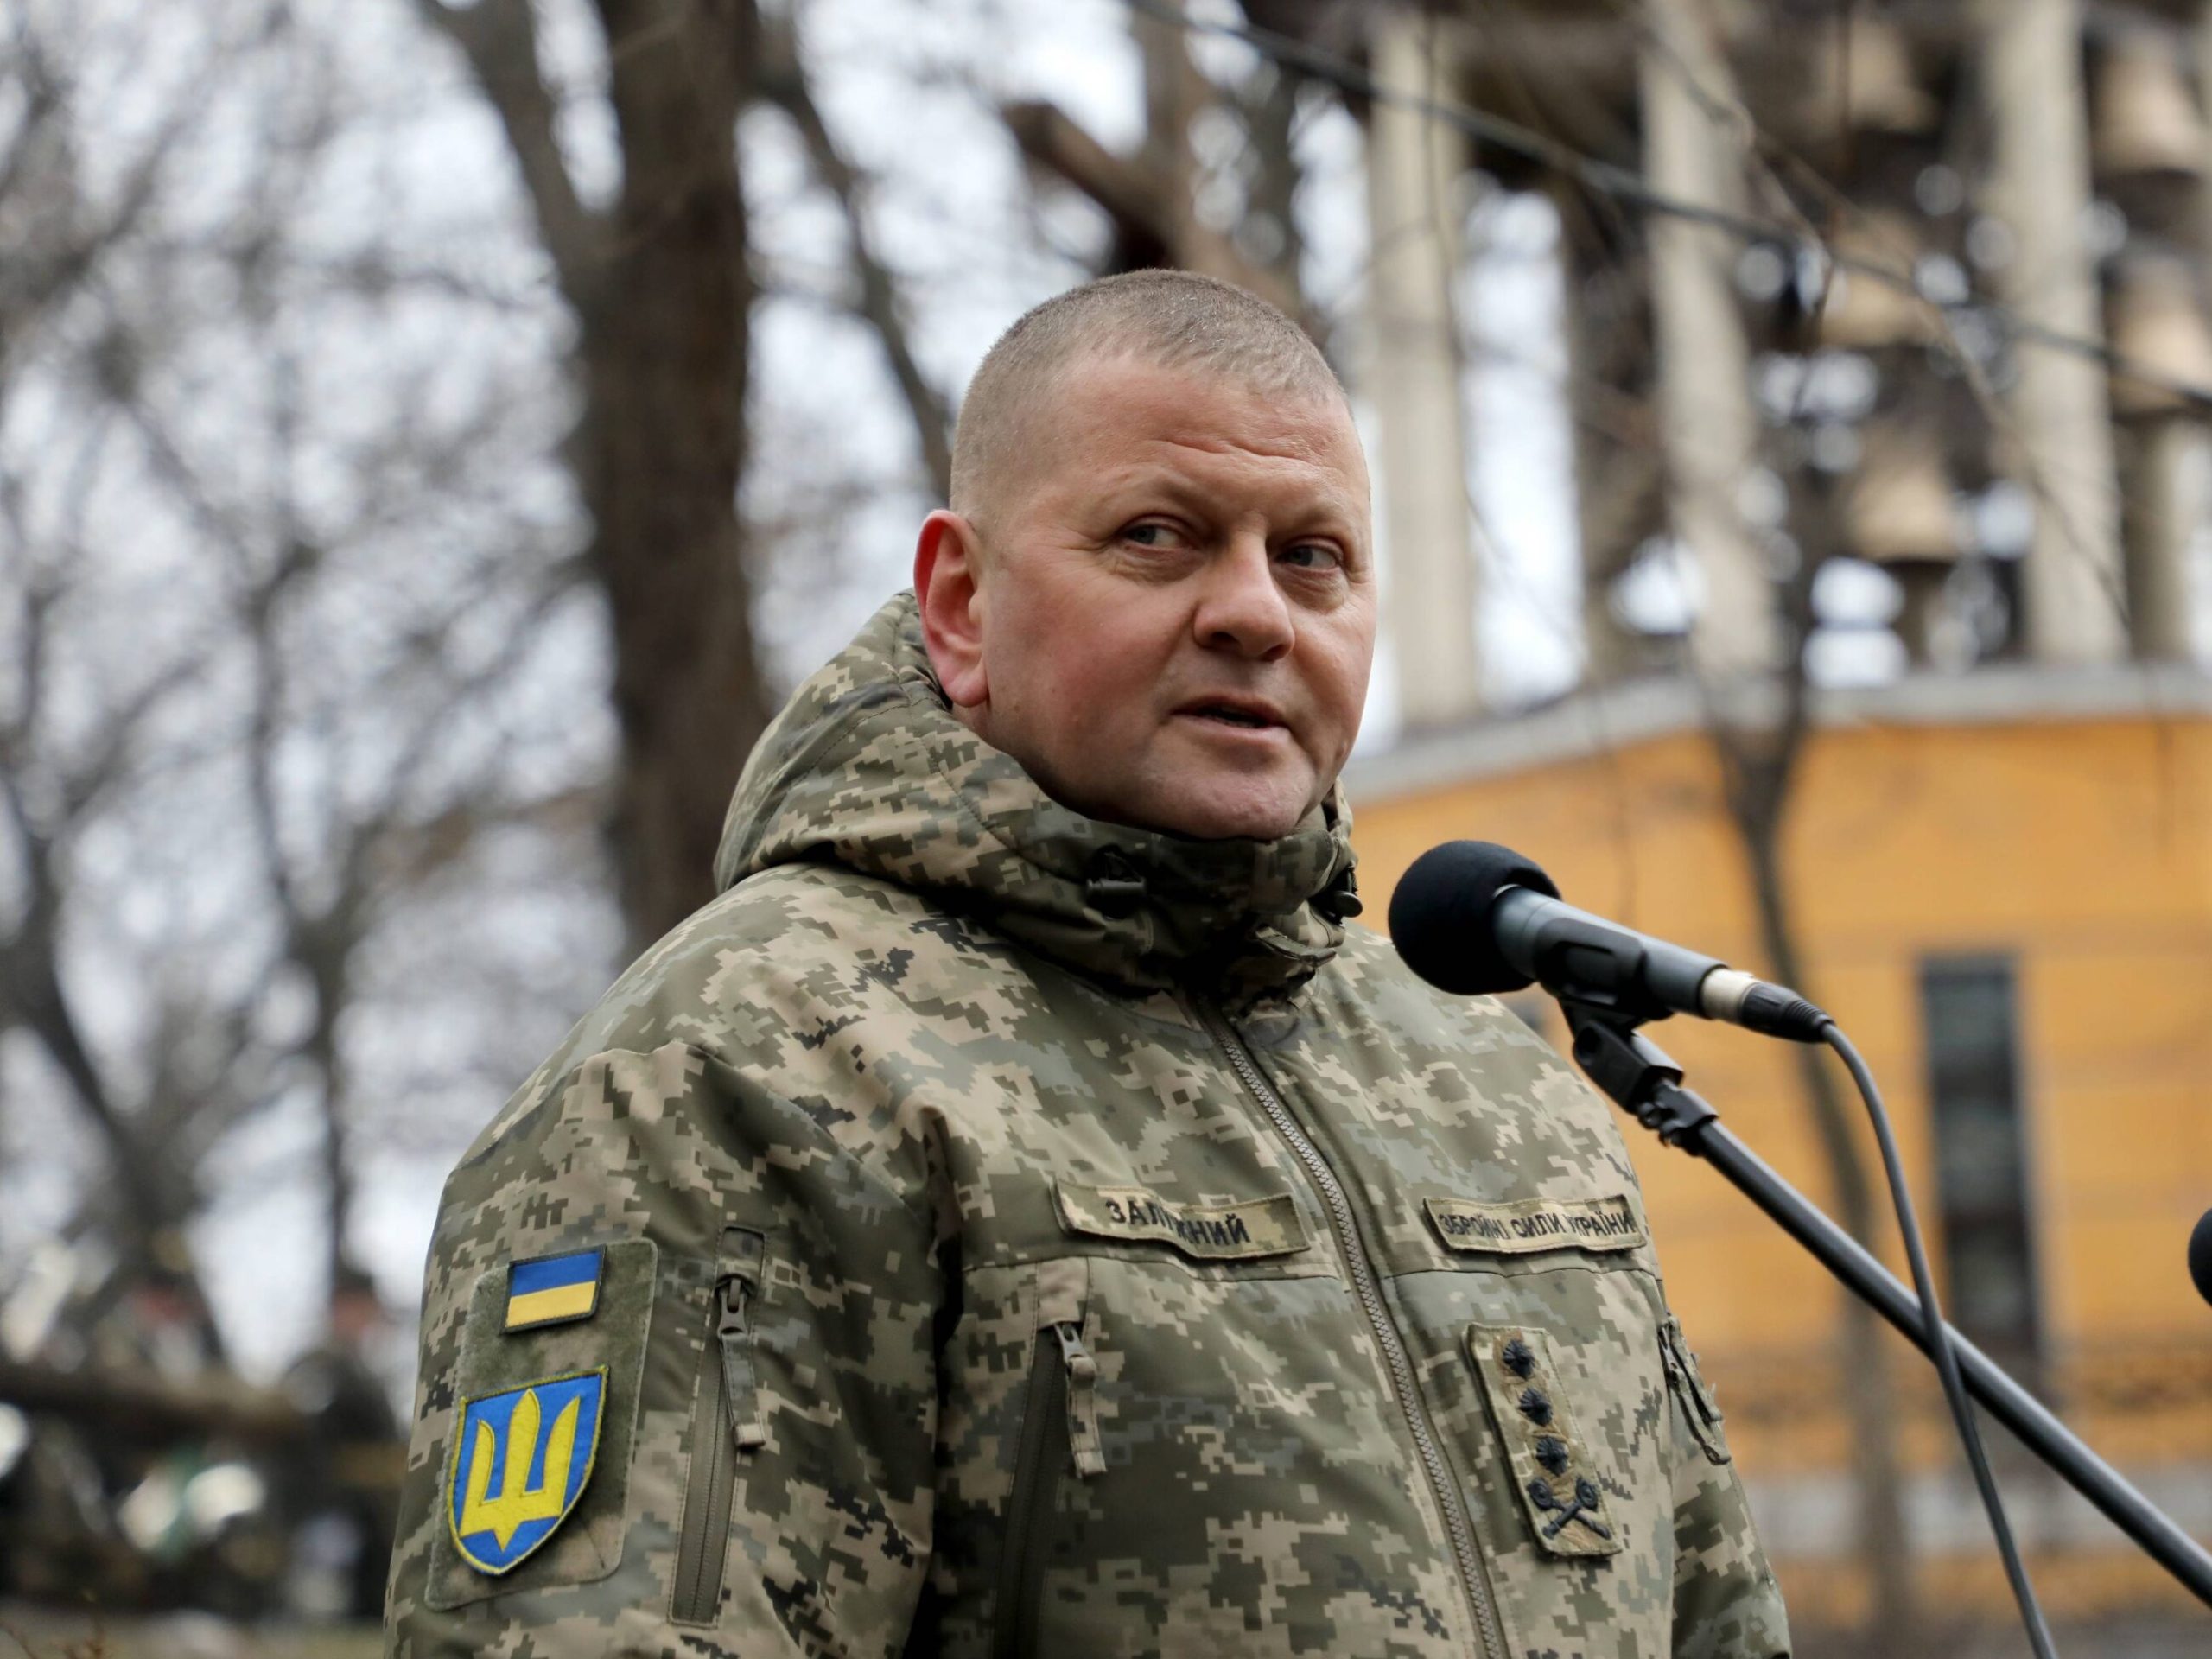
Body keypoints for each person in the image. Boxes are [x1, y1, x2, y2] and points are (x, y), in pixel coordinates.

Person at [385, 270, 1789, 1657]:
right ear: (961, 604)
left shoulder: (1488, 1074)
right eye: (1159, 537)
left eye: (1313, 559)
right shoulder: (740, 1066)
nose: (1256, 613)